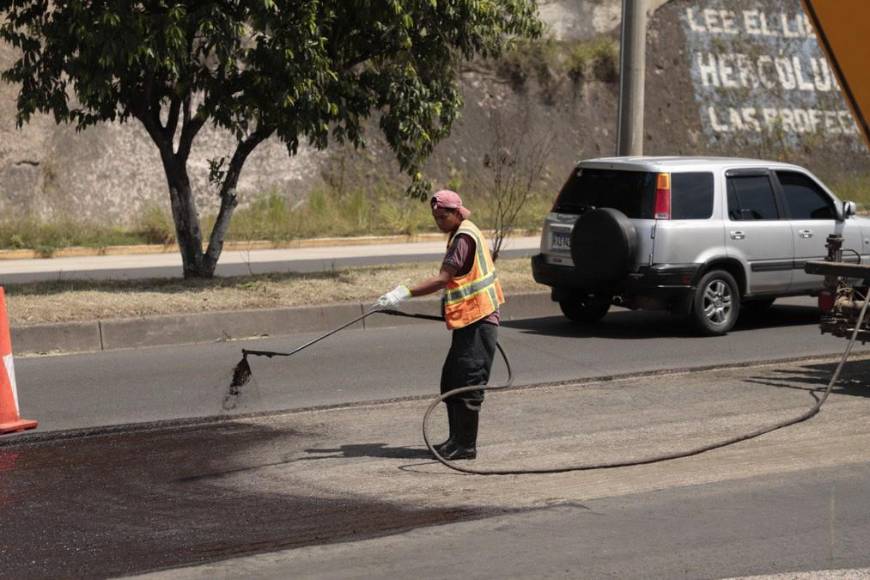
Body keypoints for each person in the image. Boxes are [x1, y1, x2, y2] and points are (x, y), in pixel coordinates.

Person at [377, 190, 505, 460]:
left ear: (456, 212)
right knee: (451, 382)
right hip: (468, 321)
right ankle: (455, 440)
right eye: (435, 218)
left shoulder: (464, 239)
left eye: (442, 217)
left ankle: (466, 446)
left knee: (467, 385)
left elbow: (443, 279)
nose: (438, 222)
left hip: (480, 321)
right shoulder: (462, 232)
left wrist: (404, 292)